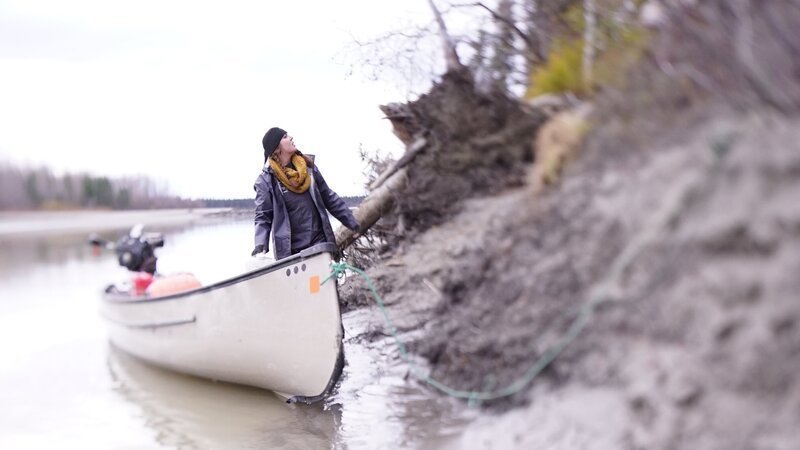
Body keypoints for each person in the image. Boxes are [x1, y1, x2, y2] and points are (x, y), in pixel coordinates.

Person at [252, 127, 360, 260]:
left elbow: (329, 197)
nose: (291, 137)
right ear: (276, 148)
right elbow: (263, 216)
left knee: (325, 280)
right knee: (307, 281)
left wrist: (352, 222)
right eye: (285, 136)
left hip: (321, 242)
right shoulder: (266, 181)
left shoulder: (308, 168)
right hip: (292, 252)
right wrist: (260, 246)